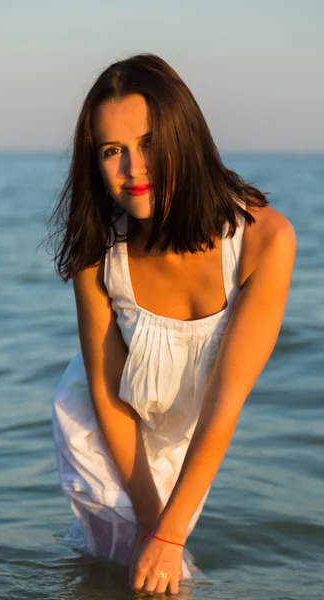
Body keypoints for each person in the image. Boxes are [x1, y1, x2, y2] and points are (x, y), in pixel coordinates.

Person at [48, 53, 296, 595]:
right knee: (146, 573)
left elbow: (224, 400)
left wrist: (168, 530)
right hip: (104, 428)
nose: (133, 168)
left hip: (184, 439)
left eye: (150, 143)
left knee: (151, 565)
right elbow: (103, 389)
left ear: (185, 136)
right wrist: (151, 521)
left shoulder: (264, 241)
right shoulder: (99, 249)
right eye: (113, 151)